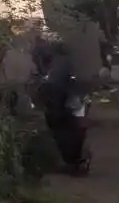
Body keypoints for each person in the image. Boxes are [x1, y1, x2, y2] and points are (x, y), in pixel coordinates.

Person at [38, 44, 91, 174]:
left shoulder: (56, 68)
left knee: (64, 135)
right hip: (69, 105)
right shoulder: (70, 65)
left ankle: (73, 161)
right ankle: (76, 161)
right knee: (74, 134)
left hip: (61, 106)